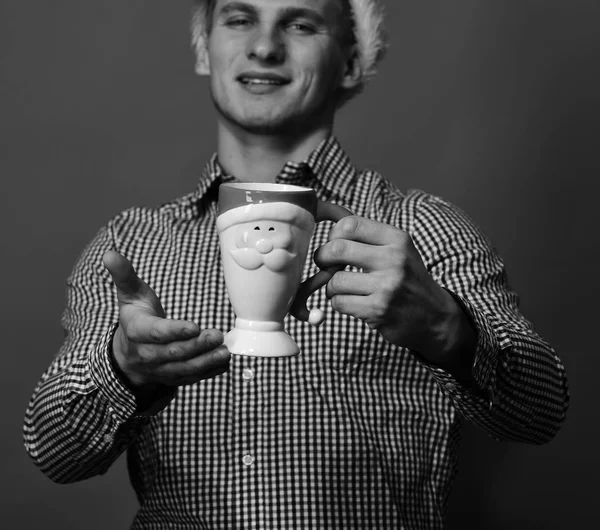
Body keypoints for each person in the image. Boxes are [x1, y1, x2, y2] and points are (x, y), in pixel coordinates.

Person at [23, 0, 570, 528]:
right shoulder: (131, 246)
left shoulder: (419, 231)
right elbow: (53, 451)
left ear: (353, 61)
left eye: (301, 24)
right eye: (240, 19)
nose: (264, 47)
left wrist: (452, 331)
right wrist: (123, 369)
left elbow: (541, 412)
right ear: (202, 49)